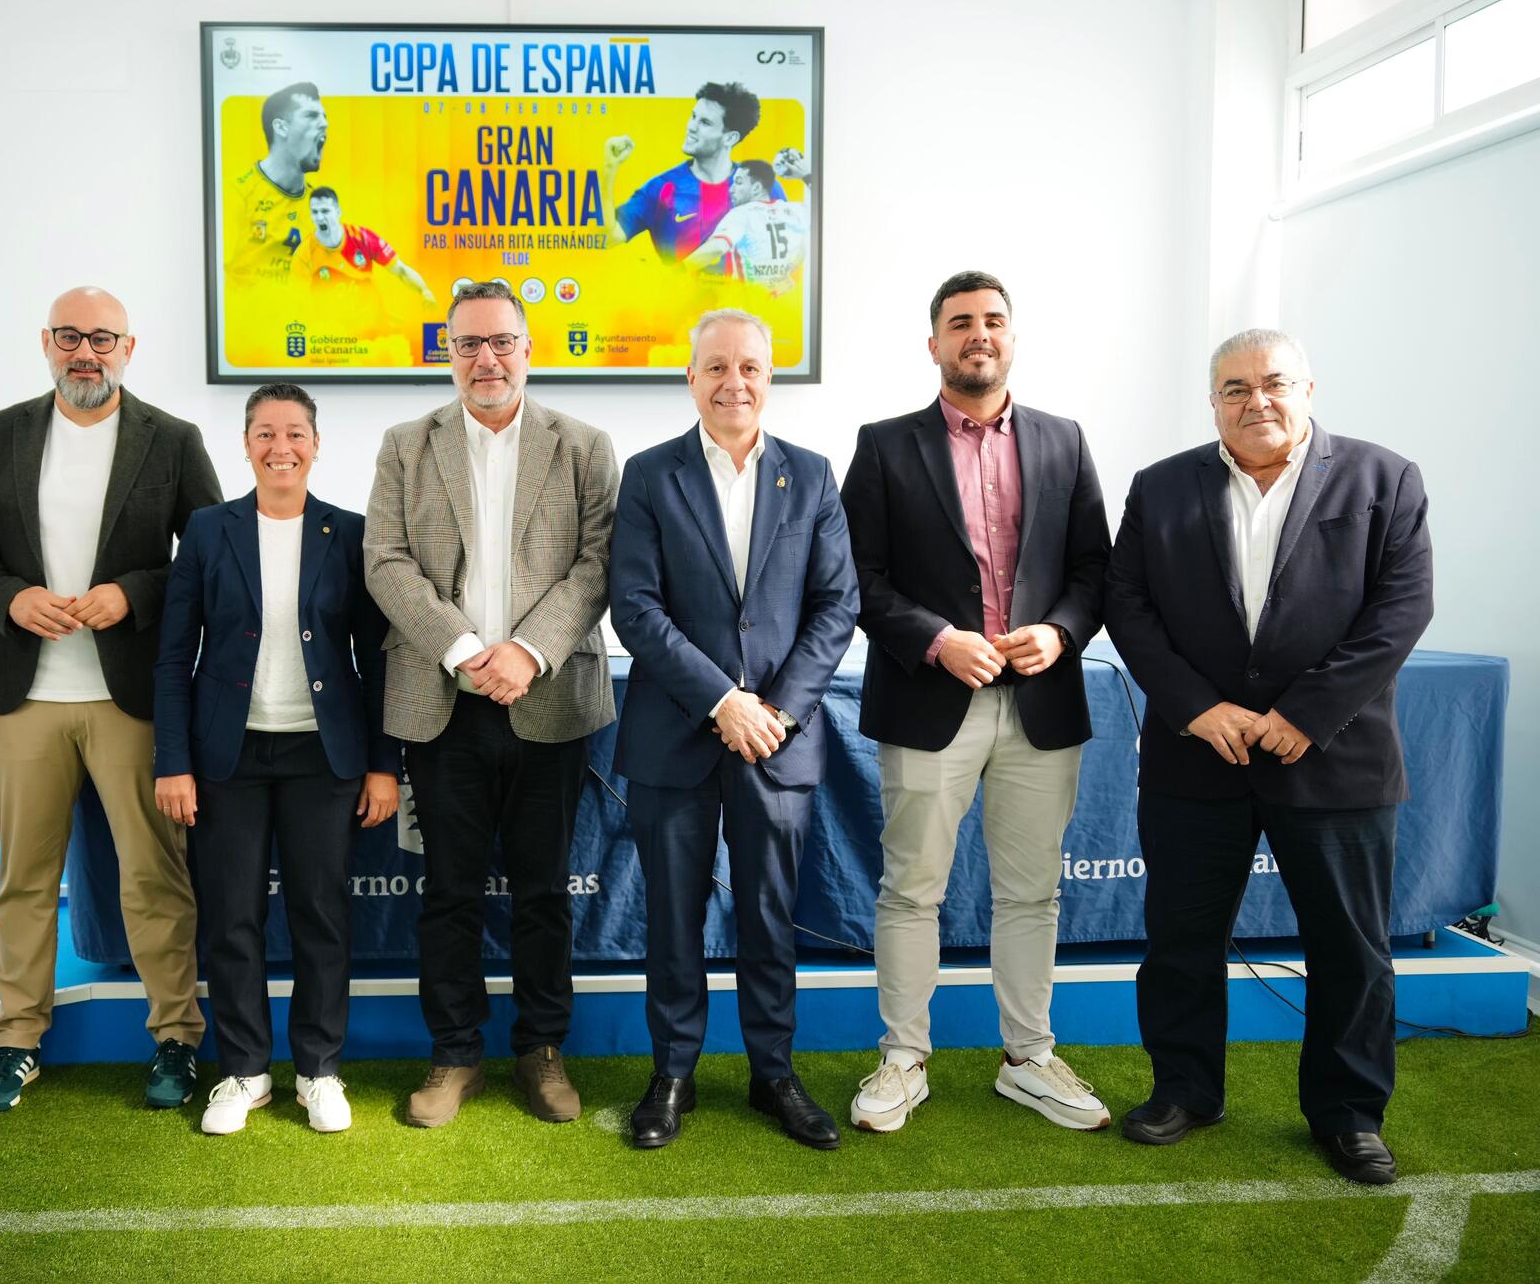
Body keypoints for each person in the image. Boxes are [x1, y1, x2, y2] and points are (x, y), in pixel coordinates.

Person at [1106, 328, 1433, 1186]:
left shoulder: (1384, 479)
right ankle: (1185, 1090)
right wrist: (1196, 706)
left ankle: (1348, 1112)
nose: (1257, 400)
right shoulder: (1159, 487)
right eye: (1235, 388)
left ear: (1308, 389)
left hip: (1334, 758)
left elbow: (1402, 609)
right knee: (1181, 938)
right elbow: (1127, 605)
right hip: (1196, 756)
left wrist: (1306, 714)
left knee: (1350, 948)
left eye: (1275, 383)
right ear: (1213, 401)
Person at [839, 271, 1112, 1135]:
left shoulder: (1065, 441)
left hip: (1040, 702)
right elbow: (855, 577)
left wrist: (1061, 632)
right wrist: (935, 638)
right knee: (911, 888)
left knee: (1031, 892)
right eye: (960, 322)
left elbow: (1096, 570)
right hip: (930, 698)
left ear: (1013, 338)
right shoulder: (884, 445)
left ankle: (1028, 1057)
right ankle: (903, 1058)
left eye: (993, 319)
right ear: (935, 344)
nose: (978, 333)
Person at [0, 286, 223, 1115]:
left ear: (128, 348)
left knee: (154, 874)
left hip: (130, 697)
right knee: (24, 879)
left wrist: (132, 593)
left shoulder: (171, 439)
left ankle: (176, 1035)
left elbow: (211, 554)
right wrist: (11, 598)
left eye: (102, 338)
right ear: (46, 342)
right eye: (69, 336)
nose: (85, 352)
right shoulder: (0, 432)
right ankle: (17, 1039)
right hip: (26, 693)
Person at [364, 280, 618, 1128]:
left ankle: (542, 1050)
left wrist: (527, 651)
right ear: (448, 353)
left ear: (528, 349)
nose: (486, 358)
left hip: (551, 697)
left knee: (545, 891)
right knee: (449, 891)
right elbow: (385, 561)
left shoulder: (584, 446)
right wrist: (468, 649)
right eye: (468, 343)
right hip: (444, 700)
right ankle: (455, 1053)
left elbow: (597, 565)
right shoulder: (406, 445)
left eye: (501, 341)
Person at [610, 308, 857, 1150]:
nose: (733, 382)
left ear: (769, 377)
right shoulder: (649, 474)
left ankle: (773, 1072)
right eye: (716, 366)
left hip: (777, 742)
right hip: (676, 734)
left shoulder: (812, 476)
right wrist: (723, 700)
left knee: (770, 915)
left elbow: (836, 605)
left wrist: (774, 710)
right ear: (691, 378)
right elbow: (634, 607)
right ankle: (672, 1073)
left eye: (749, 366)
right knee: (673, 918)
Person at [152, 384, 400, 1135]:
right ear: (246, 444)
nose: (280, 446)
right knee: (232, 917)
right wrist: (173, 761)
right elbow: (173, 655)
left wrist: (383, 764)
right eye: (265, 432)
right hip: (226, 756)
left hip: (323, 756)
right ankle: (245, 1071)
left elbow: (378, 659)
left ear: (316, 445)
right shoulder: (208, 530)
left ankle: (319, 1069)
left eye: (295, 432)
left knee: (320, 914)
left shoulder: (349, 532)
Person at [602, 82, 781, 262]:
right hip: (677, 281)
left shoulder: (761, 184)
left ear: (730, 138)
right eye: (694, 116)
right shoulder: (661, 188)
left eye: (705, 122)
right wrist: (609, 169)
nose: (691, 127)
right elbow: (607, 238)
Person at [227, 81, 328, 285]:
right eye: (311, 116)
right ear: (281, 127)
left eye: (324, 116)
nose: (324, 124)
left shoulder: (319, 206)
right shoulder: (236, 193)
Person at [680, 159, 810, 295]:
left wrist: (678, 269)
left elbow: (718, 247)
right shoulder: (796, 210)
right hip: (785, 300)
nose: (731, 189)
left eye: (738, 182)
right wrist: (806, 176)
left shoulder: (742, 213)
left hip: (751, 302)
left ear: (756, 188)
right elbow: (820, 215)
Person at [292, 186, 438, 307]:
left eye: (325, 211)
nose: (319, 217)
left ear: (338, 212)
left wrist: (424, 291)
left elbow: (401, 271)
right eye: (315, 212)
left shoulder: (362, 238)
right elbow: (298, 300)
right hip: (331, 326)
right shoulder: (304, 253)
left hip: (370, 318)